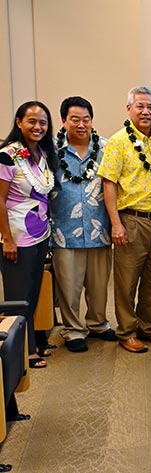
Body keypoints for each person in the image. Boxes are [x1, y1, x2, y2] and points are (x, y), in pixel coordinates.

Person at [98, 86, 151, 353]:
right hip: (131, 219)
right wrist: (116, 223)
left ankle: (148, 327)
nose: (145, 111)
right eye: (140, 106)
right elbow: (108, 183)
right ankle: (127, 331)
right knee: (127, 280)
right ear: (129, 109)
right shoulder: (118, 141)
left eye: (150, 106)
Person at [49, 96, 118, 353]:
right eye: (74, 119)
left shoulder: (106, 147)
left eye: (86, 119)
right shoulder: (52, 152)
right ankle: (74, 330)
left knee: (99, 284)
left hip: (99, 227)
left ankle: (98, 323)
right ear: (64, 120)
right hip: (64, 229)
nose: (81, 124)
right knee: (69, 285)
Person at [0, 101, 57, 368]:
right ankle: (20, 353)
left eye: (43, 122)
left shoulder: (41, 154)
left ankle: (33, 342)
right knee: (17, 298)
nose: (38, 127)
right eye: (32, 121)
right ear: (19, 122)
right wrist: (7, 239)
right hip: (16, 237)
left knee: (34, 293)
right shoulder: (7, 155)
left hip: (39, 234)